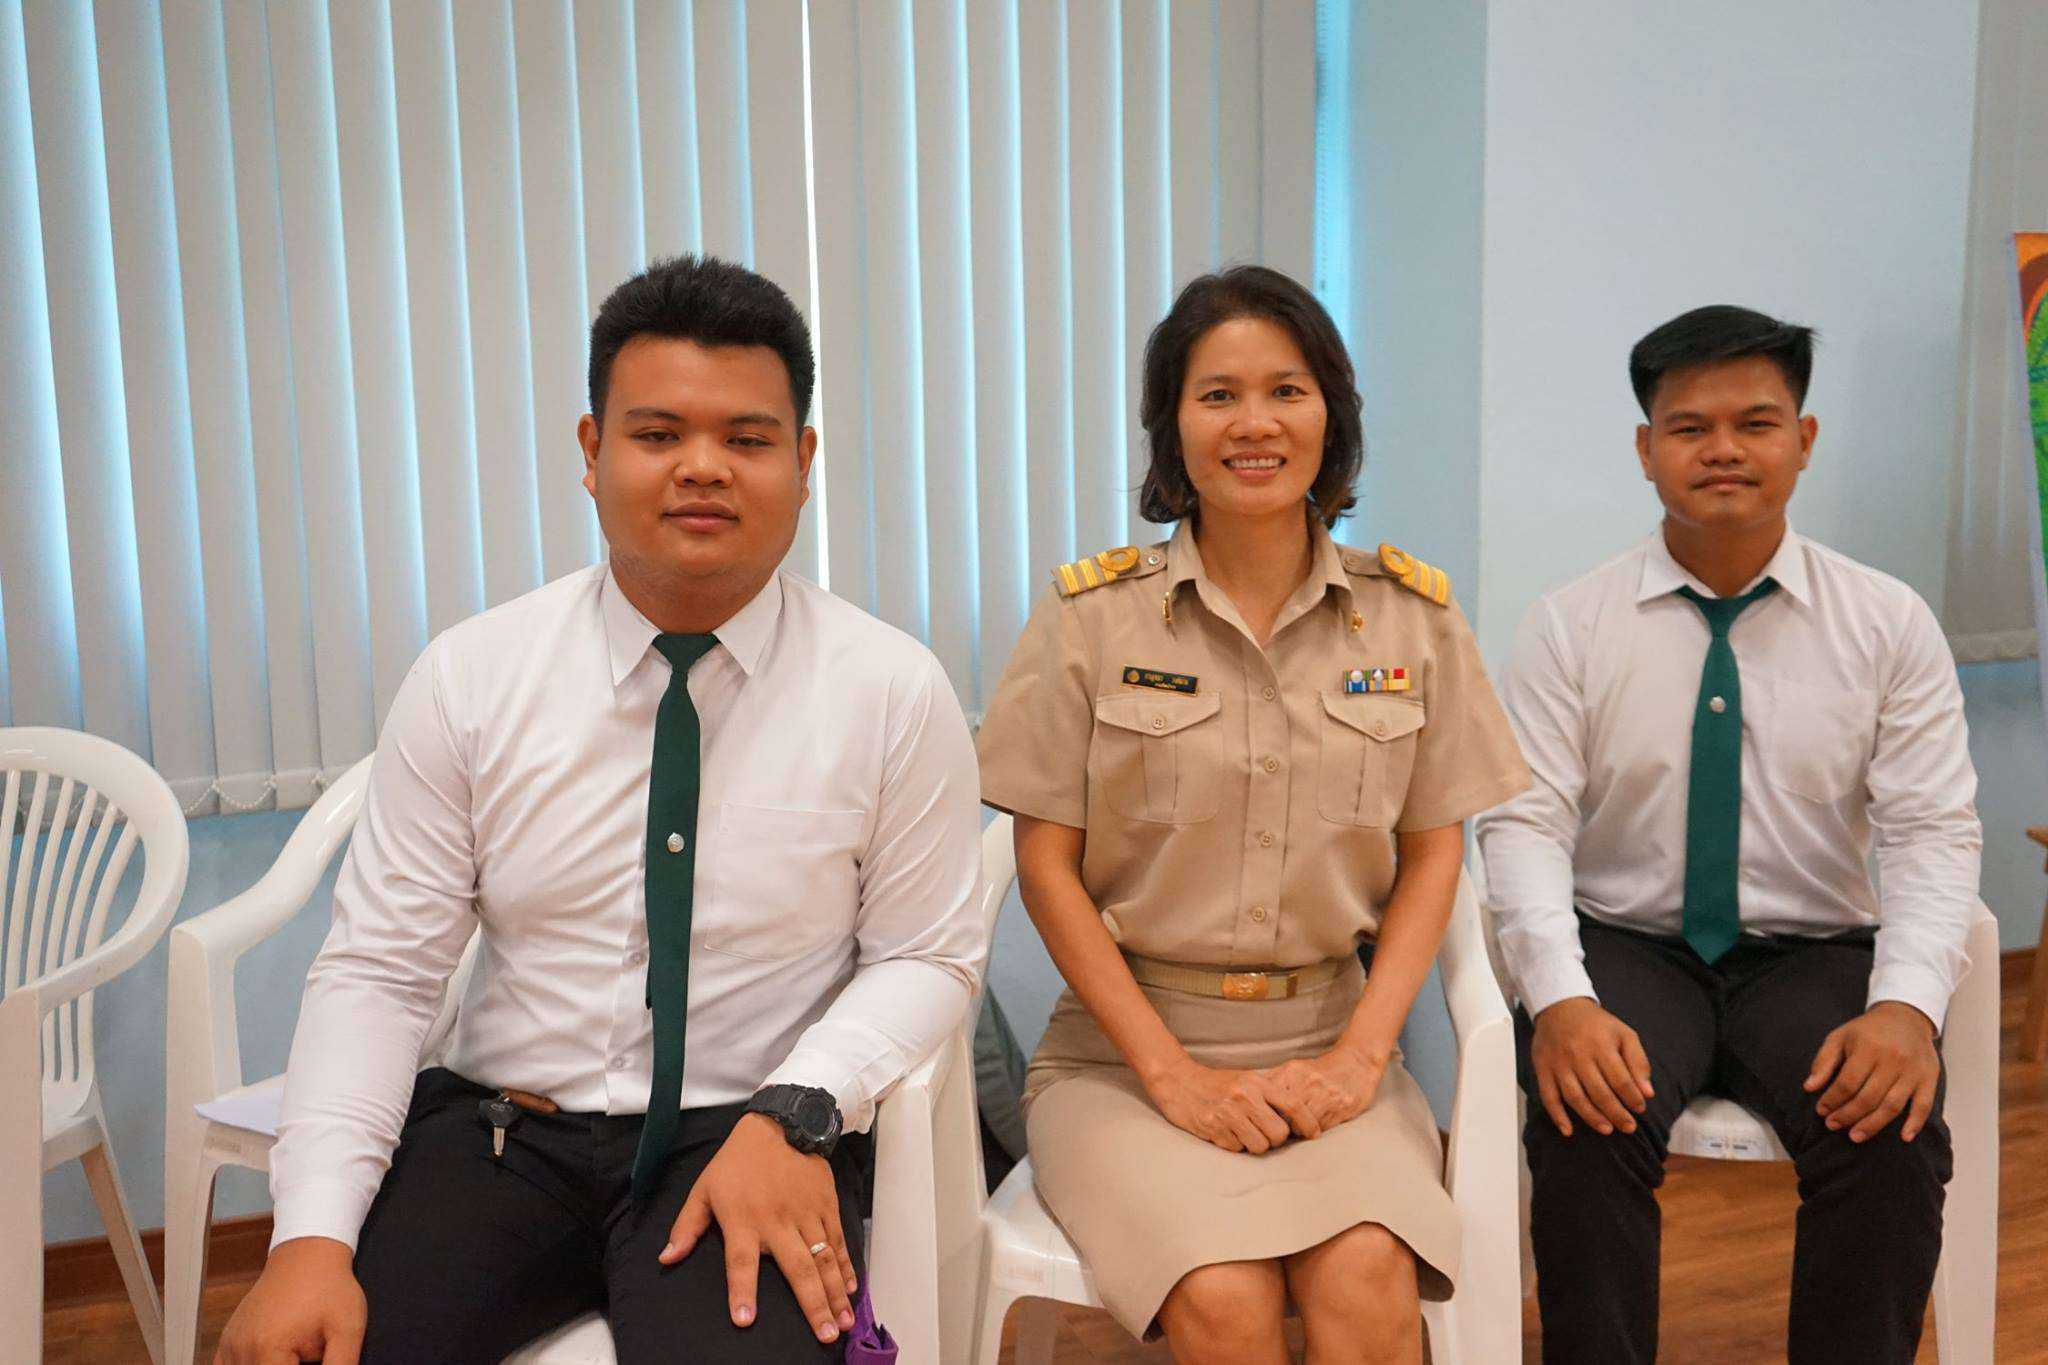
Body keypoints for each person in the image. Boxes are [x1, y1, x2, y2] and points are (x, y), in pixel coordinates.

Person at [216, 255, 986, 1364]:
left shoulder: (891, 691)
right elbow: (382, 972)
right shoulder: (472, 677)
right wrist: (309, 1241)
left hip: (743, 1139)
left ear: (804, 462)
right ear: (591, 452)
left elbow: (926, 954)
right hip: (501, 1136)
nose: (702, 467)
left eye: (748, 438)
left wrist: (799, 1109)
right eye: (657, 433)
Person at [975, 265, 1531, 1364]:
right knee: (1222, 1294)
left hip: (1334, 1046)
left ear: (1332, 415)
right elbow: (1044, 868)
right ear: (1171, 427)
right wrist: (1171, 1076)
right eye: (1217, 395)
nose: (1254, 423)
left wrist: (1360, 1060)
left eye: (1286, 390)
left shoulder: (1412, 618)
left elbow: (1434, 859)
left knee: (1365, 1279)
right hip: (1120, 1063)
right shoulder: (1090, 617)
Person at [1475, 305, 1981, 1364]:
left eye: (1754, 423)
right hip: (1628, 944)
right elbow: (1524, 822)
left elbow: (1931, 831)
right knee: (1585, 1116)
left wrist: (1903, 1007)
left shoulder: (1887, 622)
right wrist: (1558, 1000)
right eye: (1688, 426)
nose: (1722, 450)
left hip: (1811, 953)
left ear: (1803, 438)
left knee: (1886, 1129)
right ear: (1644, 448)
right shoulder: (1570, 623)